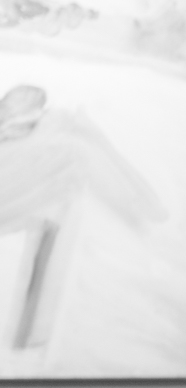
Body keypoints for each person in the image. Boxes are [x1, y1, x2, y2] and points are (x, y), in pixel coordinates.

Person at [0, 85, 168, 350]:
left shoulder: (57, 128)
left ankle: (28, 338)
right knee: (76, 147)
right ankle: (142, 205)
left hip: (41, 184)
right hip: (29, 184)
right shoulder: (59, 135)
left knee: (75, 144)